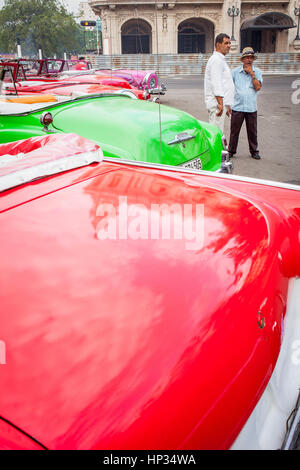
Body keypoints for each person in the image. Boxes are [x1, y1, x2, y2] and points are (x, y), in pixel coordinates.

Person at [228, 47, 263, 160]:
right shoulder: (235, 72)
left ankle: (254, 151)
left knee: (252, 131)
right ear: (242, 59)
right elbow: (229, 88)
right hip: (237, 106)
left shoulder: (257, 72)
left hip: (251, 107)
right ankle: (231, 151)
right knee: (234, 132)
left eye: (251, 58)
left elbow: (257, 87)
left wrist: (252, 74)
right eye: (247, 58)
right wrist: (227, 104)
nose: (249, 60)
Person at [204, 33, 234, 133]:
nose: (229, 46)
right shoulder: (216, 60)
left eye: (229, 43)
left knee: (218, 132)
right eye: (226, 43)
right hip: (217, 104)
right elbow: (216, 83)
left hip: (221, 103)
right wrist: (220, 104)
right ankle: (216, 149)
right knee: (216, 133)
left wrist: (227, 104)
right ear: (218, 45)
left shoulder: (220, 59)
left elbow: (225, 83)